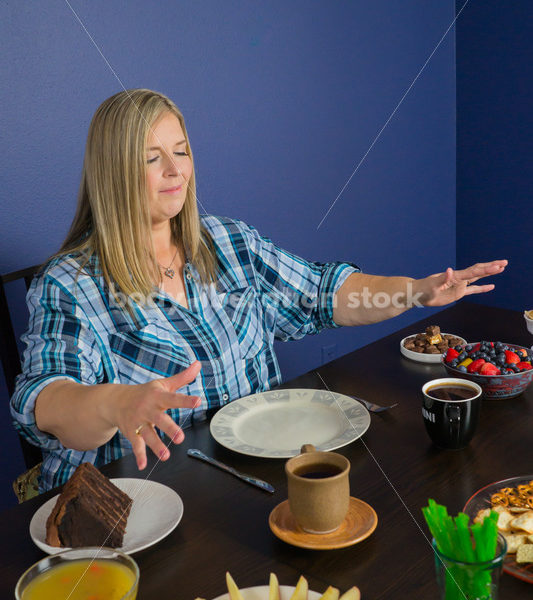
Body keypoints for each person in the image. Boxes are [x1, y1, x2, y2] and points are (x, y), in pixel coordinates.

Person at [10, 89, 507, 492]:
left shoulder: (229, 242)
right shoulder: (71, 283)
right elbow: (46, 400)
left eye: (181, 151)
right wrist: (115, 404)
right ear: (114, 171)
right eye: (152, 158)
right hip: (145, 504)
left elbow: (322, 293)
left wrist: (417, 291)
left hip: (254, 482)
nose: (176, 170)